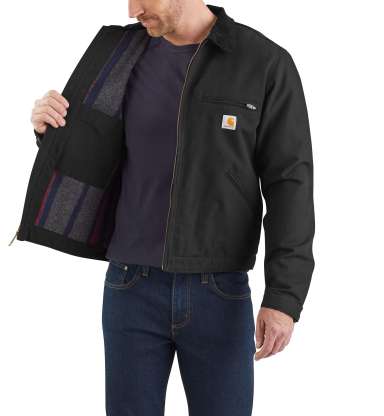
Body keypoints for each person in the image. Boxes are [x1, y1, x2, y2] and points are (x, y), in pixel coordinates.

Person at [29, 1, 315, 415]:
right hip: (130, 287)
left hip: (219, 291)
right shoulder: (120, 54)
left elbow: (290, 185)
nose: (132, 10)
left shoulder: (263, 62)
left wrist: (284, 297)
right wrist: (50, 131)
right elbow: (96, 150)